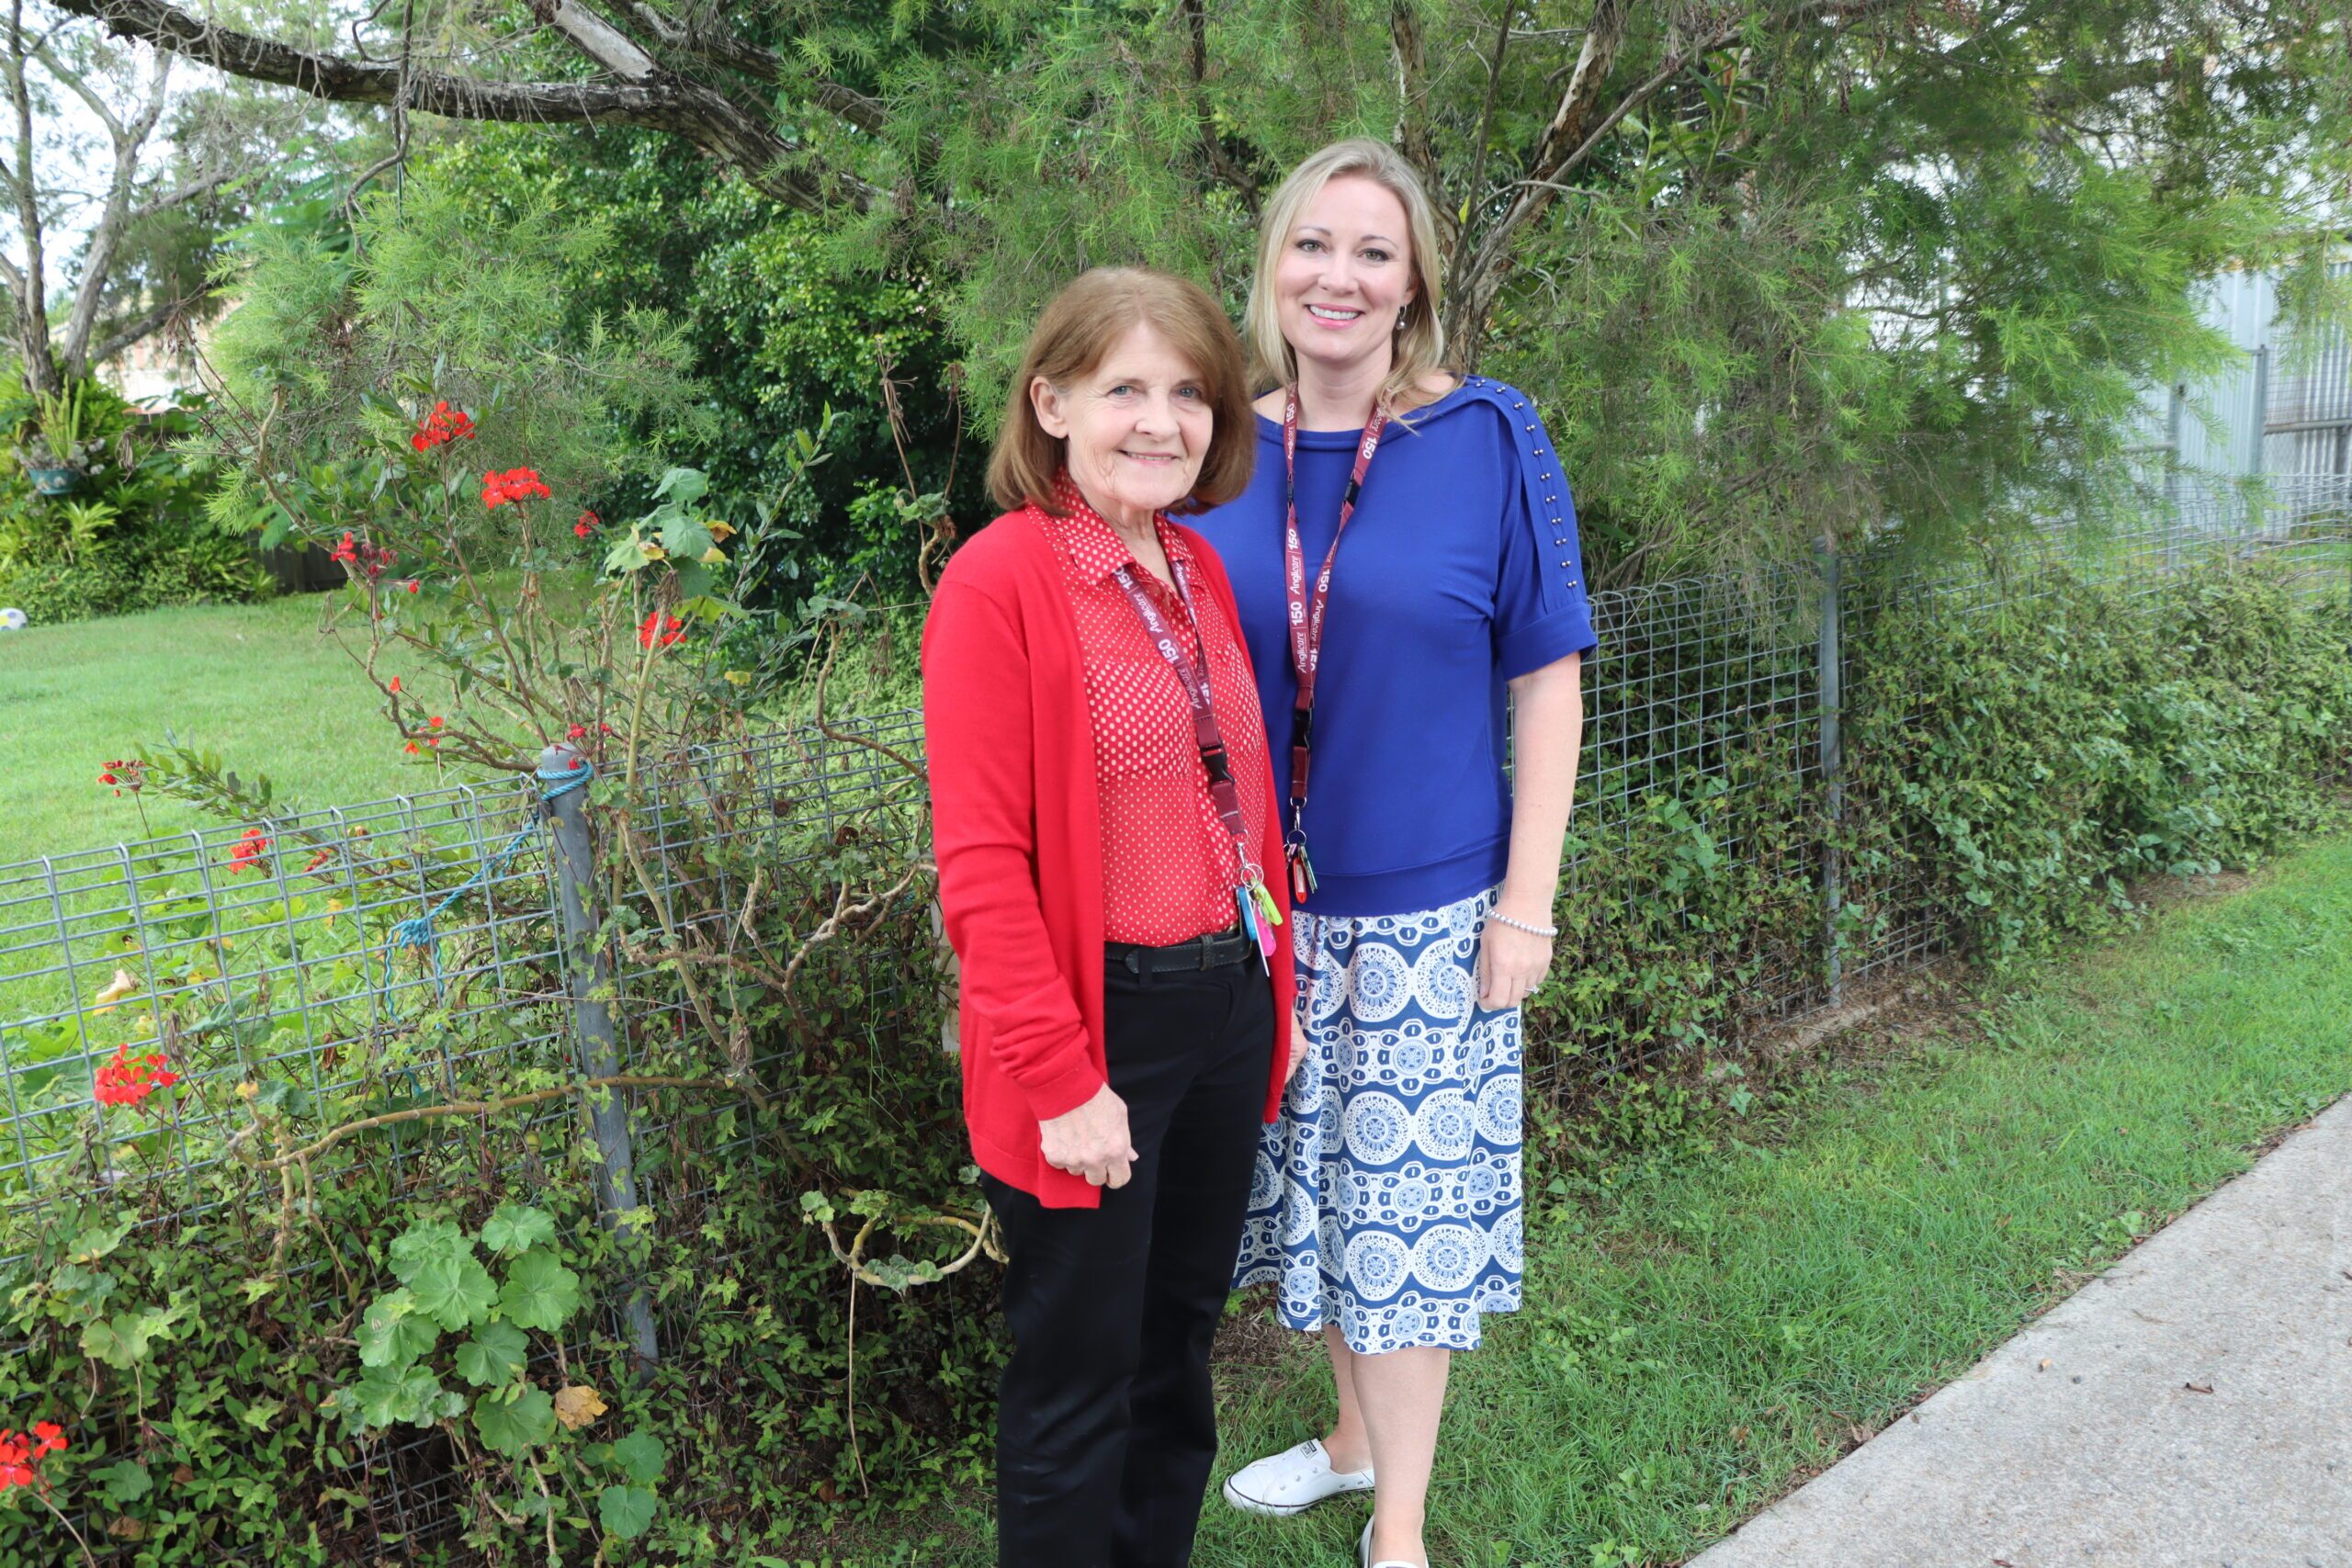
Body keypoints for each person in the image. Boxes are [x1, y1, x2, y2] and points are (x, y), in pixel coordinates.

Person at [1196, 141, 1596, 1568]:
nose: (1340, 277)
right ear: (1273, 267)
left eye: (1374, 251)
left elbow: (1548, 675)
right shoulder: (1214, 450)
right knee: (1316, 1200)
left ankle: (1400, 1532)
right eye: (1314, 245)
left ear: (1415, 279)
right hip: (1261, 917)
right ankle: (1350, 1441)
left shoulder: (1485, 437)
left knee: (1402, 1230)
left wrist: (1528, 905)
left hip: (1431, 918)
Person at [923, 265, 1309, 1568]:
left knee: (1176, 1356)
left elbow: (1232, 793)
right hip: (1099, 1028)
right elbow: (982, 868)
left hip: (1225, 1010)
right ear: (1051, 403)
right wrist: (1063, 1081)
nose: (1161, 420)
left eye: (1189, 392)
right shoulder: (1000, 583)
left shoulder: (1192, 564)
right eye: (1124, 389)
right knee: (1079, 1378)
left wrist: (1270, 1004)